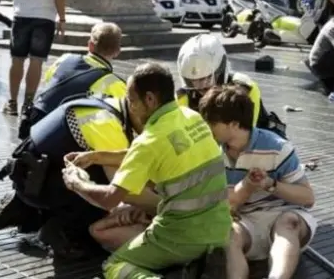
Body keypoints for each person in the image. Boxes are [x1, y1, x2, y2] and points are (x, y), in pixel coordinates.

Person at [62, 62, 230, 279]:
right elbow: (147, 154)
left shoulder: (149, 141)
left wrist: (77, 183)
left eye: (132, 101)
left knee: (115, 265)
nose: (129, 106)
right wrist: (96, 156)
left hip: (182, 234)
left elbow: (109, 200)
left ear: (150, 99)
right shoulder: (191, 117)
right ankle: (191, 266)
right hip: (220, 229)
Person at [0, 94, 160, 257]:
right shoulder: (107, 124)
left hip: (32, 174)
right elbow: (122, 191)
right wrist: (164, 208)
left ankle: (25, 209)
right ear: (139, 104)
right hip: (42, 182)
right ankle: (59, 232)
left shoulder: (110, 105)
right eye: (150, 121)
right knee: (103, 197)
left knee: (97, 169)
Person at [198, 86, 316, 279]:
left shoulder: (277, 148)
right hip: (245, 221)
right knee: (228, 236)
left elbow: (308, 198)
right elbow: (229, 204)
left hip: (281, 213)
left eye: (212, 122)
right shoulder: (211, 152)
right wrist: (248, 185)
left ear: (234, 124)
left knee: (288, 223)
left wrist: (270, 184)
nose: (206, 127)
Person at [15, 23, 126, 139]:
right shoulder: (113, 82)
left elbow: (49, 79)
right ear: (117, 51)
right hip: (63, 134)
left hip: (35, 124)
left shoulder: (65, 59)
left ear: (90, 45)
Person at [177, 34, 286, 137]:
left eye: (207, 78)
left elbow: (243, 138)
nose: (200, 85)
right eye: (193, 80)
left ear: (220, 69)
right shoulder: (183, 96)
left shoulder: (244, 89)